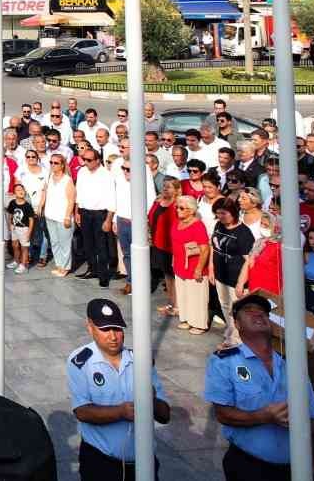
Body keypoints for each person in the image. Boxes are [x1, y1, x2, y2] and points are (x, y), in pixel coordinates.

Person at [205, 294, 314, 481]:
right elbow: (223, 414)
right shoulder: (225, 362)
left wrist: (300, 422)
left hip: (292, 469)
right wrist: (264, 416)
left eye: (263, 312)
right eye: (249, 311)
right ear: (237, 325)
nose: (258, 314)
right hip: (249, 467)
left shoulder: (292, 365)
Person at [67, 298, 171, 480]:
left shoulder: (141, 360)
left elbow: (164, 415)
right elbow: (82, 411)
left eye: (117, 329)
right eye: (105, 330)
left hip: (143, 464)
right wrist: (121, 412)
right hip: (101, 464)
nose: (113, 337)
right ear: (90, 327)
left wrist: (152, 401)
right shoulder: (81, 362)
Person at [210, 199, 256, 349]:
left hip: (235, 279)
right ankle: (230, 332)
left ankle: (236, 340)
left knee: (236, 310)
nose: (220, 216)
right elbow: (214, 247)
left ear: (233, 213)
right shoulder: (219, 225)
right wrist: (211, 268)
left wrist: (241, 283)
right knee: (225, 306)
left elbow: (248, 261)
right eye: (217, 213)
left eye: (223, 213)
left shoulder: (243, 233)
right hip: (220, 275)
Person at [75, 148, 115, 287]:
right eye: (84, 159)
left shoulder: (106, 175)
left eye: (89, 160)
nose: (86, 162)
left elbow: (111, 198)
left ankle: (103, 275)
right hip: (85, 212)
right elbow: (78, 193)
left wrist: (108, 219)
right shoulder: (82, 172)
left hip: (100, 214)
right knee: (88, 244)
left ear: (98, 160)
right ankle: (92, 269)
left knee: (101, 246)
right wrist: (77, 212)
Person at [171, 196, 210, 335]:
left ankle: (199, 323)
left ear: (191, 210)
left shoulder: (198, 225)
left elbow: (205, 249)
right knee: (184, 294)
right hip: (179, 265)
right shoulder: (177, 222)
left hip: (194, 267)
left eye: (182, 208)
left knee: (196, 296)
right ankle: (187, 319)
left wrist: (199, 268)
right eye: (177, 207)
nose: (178, 210)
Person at [6, 184, 35, 273]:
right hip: (15, 228)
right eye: (18, 190)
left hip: (24, 229)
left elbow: (31, 220)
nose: (21, 191)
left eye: (22, 190)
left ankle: (23, 265)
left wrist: (29, 232)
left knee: (24, 248)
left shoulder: (27, 206)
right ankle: (16, 261)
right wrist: (10, 225)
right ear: (14, 193)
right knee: (15, 246)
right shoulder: (12, 203)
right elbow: (10, 215)